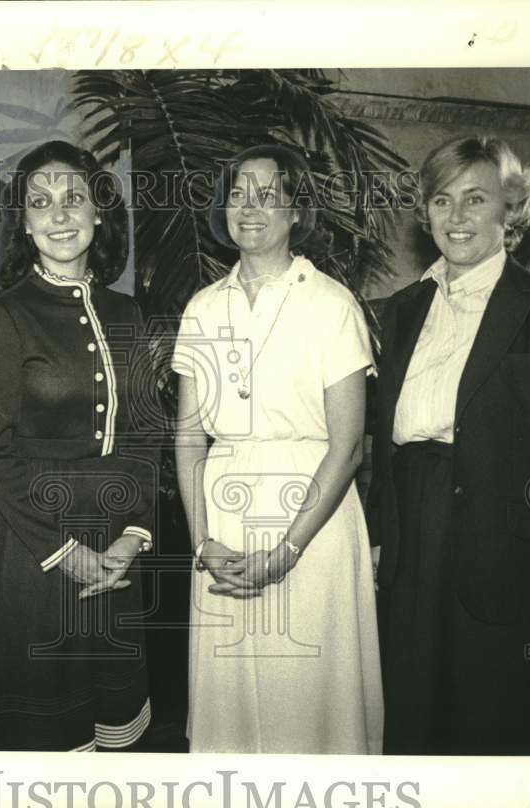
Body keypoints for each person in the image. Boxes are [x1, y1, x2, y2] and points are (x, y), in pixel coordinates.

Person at [368, 135, 530, 755]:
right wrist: (377, 539)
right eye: (442, 200)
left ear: (511, 210)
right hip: (410, 553)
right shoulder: (399, 311)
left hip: (507, 557)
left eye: (476, 200)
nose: (456, 217)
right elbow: (381, 445)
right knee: (416, 726)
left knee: (495, 729)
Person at [171, 144, 384, 753]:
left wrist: (288, 548)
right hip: (224, 523)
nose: (251, 206)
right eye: (239, 193)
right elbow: (189, 435)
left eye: (269, 194)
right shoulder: (204, 307)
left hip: (311, 519)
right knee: (232, 711)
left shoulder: (331, 304)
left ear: (297, 212)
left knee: (314, 703)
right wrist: (201, 540)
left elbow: (346, 448)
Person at [0, 141, 157, 751]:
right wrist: (62, 550)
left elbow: (144, 434)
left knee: (116, 737)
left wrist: (135, 535)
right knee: (49, 739)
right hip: (35, 548)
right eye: (40, 203)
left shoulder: (128, 313)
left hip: (116, 541)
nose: (59, 214)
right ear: (23, 223)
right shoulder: (5, 315)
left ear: (99, 211)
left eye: (73, 198)